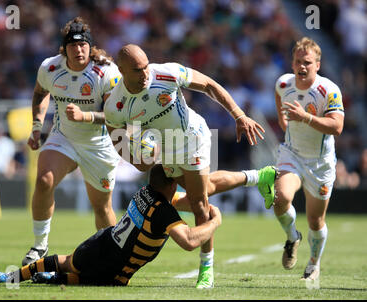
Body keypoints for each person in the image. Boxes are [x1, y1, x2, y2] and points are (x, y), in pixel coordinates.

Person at [103, 44, 277, 288]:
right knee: (203, 189)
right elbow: (118, 140)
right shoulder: (115, 105)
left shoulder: (166, 73)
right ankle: (259, 176)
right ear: (121, 70)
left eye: (145, 66)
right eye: (137, 70)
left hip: (192, 137)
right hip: (165, 149)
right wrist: (138, 162)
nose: (145, 74)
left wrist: (239, 115)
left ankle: (206, 268)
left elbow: (209, 85)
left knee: (198, 203)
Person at [0, 165, 222, 286]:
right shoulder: (163, 211)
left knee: (67, 262)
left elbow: (182, 202)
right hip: (117, 271)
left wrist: (198, 203)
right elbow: (189, 241)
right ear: (172, 184)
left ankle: (15, 278)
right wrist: (215, 221)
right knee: (89, 277)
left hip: (101, 244)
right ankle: (50, 278)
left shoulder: (146, 192)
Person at [22, 17, 122, 266]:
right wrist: (36, 127)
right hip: (63, 138)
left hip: (98, 145)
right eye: (73, 45)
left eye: (83, 45)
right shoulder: (50, 68)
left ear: (90, 47)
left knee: (102, 208)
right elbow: (39, 93)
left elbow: (116, 117)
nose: (79, 50)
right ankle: (39, 245)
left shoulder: (106, 72)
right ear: (64, 48)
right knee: (44, 180)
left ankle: (112, 261)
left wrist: (85, 116)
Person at [272, 37, 345, 280]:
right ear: (292, 64)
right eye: (297, 62)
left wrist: (306, 118)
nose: (302, 67)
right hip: (292, 154)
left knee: (315, 220)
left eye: (307, 62)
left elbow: (337, 127)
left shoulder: (329, 90)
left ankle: (314, 263)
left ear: (318, 64)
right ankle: (292, 237)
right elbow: (278, 98)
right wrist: (284, 122)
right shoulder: (283, 84)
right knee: (280, 198)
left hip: (320, 162)